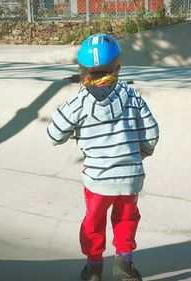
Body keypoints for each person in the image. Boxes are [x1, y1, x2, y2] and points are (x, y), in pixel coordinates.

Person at [47, 34, 160, 281]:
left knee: (93, 222)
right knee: (127, 218)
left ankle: (94, 266)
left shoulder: (78, 102)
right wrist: (140, 154)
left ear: (83, 70)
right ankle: (124, 263)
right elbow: (152, 133)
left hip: (98, 180)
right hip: (130, 178)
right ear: (118, 67)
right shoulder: (133, 96)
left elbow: (54, 135)